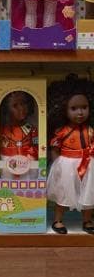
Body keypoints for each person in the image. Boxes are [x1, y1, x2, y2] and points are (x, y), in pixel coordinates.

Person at [46, 74, 94, 234]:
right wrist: (56, 166)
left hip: (88, 164)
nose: (80, 112)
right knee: (64, 193)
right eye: (73, 108)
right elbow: (54, 148)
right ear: (63, 109)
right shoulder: (62, 131)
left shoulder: (90, 130)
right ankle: (58, 220)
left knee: (88, 193)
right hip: (66, 164)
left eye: (84, 107)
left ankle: (87, 220)